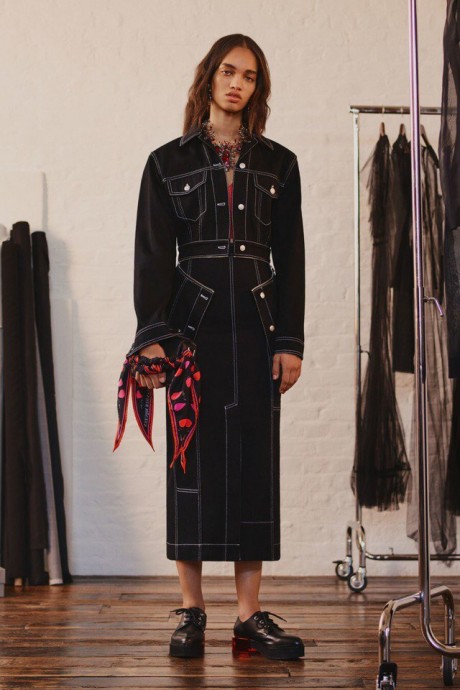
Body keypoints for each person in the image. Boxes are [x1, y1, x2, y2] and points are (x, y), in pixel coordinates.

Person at [126, 33, 305, 660]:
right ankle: (193, 609)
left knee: (255, 463)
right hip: (192, 330)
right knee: (191, 462)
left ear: (258, 89)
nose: (237, 84)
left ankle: (249, 615)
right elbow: (152, 256)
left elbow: (292, 259)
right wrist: (153, 340)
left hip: (257, 327)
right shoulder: (166, 162)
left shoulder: (280, 164)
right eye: (229, 72)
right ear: (209, 78)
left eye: (249, 77)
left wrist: (290, 341)